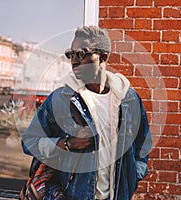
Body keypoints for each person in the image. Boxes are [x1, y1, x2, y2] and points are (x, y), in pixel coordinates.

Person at [21, 25, 152, 200]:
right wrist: (68, 144)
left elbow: (142, 145)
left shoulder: (129, 99)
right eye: (71, 54)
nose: (74, 61)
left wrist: (132, 176)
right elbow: (29, 141)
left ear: (103, 57)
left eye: (81, 54)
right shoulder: (61, 99)